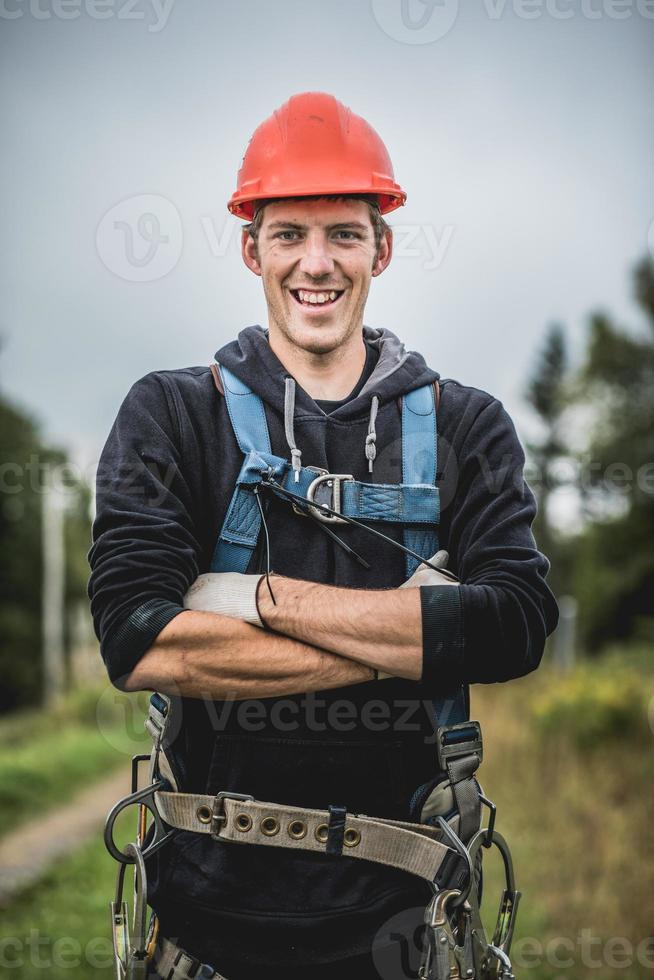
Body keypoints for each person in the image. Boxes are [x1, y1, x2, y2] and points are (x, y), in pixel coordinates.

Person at [88, 92, 559, 980]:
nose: (318, 263)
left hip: (404, 925)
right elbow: (135, 635)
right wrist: (422, 631)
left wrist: (254, 601)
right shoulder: (173, 415)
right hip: (205, 925)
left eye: (344, 233)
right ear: (249, 247)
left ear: (381, 247)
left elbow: (516, 624)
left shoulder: (469, 426)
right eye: (290, 234)